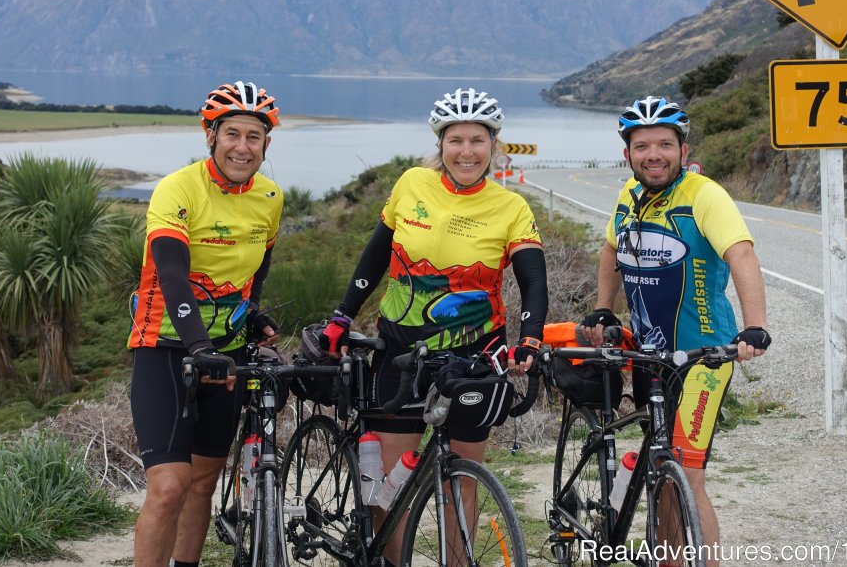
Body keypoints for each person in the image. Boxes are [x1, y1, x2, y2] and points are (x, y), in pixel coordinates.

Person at [321, 87, 548, 566]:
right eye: (456, 140)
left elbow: (532, 280)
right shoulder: (411, 184)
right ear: (440, 146)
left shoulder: (511, 208)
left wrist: (530, 337)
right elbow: (377, 252)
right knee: (389, 484)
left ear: (494, 146)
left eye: (478, 141)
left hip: (472, 358)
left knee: (462, 479)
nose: (467, 152)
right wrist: (344, 313)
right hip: (398, 352)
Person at [582, 96, 771, 566]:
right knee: (660, 467)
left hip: (703, 358)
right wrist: (604, 309)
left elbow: (741, 254)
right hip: (649, 356)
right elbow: (610, 250)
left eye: (665, 144)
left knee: (685, 472)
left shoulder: (704, 195)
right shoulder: (629, 195)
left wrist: (755, 327)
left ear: (683, 150)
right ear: (628, 154)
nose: (654, 154)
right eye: (642, 145)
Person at [127, 81, 284, 567]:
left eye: (253, 136)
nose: (242, 146)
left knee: (202, 484)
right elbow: (171, 275)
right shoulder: (178, 188)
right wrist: (197, 345)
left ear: (266, 144)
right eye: (231, 133)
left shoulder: (270, 197)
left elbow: (258, 267)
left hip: (228, 354)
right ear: (210, 136)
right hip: (167, 347)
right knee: (170, 487)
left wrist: (251, 312)